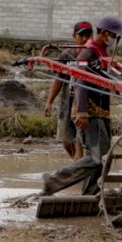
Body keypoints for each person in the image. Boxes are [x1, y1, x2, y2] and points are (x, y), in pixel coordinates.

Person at [42, 16, 122, 196]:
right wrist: (81, 111)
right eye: (114, 36)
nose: (116, 40)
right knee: (95, 157)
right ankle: (54, 181)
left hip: (102, 111)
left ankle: (91, 189)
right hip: (89, 112)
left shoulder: (103, 52)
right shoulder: (88, 52)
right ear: (104, 34)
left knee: (102, 156)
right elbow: (80, 81)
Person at [43, 21, 93, 160]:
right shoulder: (67, 54)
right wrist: (49, 102)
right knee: (66, 142)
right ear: (74, 36)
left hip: (83, 105)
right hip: (67, 103)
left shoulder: (92, 55)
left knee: (79, 144)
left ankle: (78, 173)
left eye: (88, 35)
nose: (85, 39)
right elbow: (59, 78)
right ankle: (78, 169)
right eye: (81, 35)